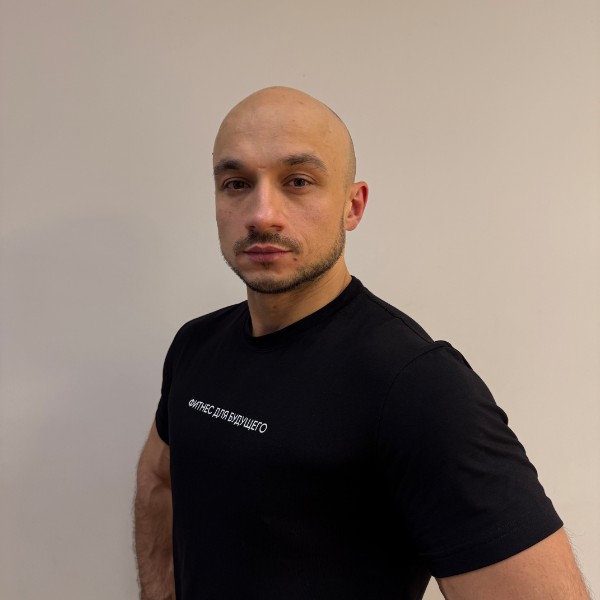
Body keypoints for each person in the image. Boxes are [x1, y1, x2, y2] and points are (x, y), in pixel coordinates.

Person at [134, 86, 590, 600]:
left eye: (298, 181)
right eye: (236, 183)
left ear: (353, 206)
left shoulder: (418, 386)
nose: (262, 213)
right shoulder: (195, 345)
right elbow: (158, 478)